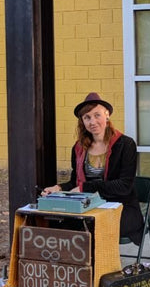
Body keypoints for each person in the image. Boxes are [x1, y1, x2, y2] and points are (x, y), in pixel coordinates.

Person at [42, 92, 144, 245]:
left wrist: (86, 187)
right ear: (82, 121)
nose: (92, 121)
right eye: (87, 118)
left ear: (107, 115)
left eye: (97, 115)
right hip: (90, 207)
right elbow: (75, 183)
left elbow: (124, 186)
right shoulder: (78, 148)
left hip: (122, 208)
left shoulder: (125, 144)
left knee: (90, 227)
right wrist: (58, 188)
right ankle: (76, 267)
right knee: (57, 222)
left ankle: (98, 268)